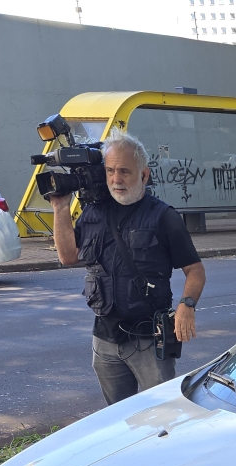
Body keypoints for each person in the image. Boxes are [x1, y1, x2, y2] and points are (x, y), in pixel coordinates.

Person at [48, 129, 206, 405]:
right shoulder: (94, 211)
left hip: (149, 340)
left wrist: (187, 305)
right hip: (105, 339)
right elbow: (68, 256)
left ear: (143, 175)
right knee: (119, 421)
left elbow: (195, 270)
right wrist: (60, 207)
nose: (115, 179)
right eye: (109, 171)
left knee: (164, 417)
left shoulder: (163, 217)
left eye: (124, 171)